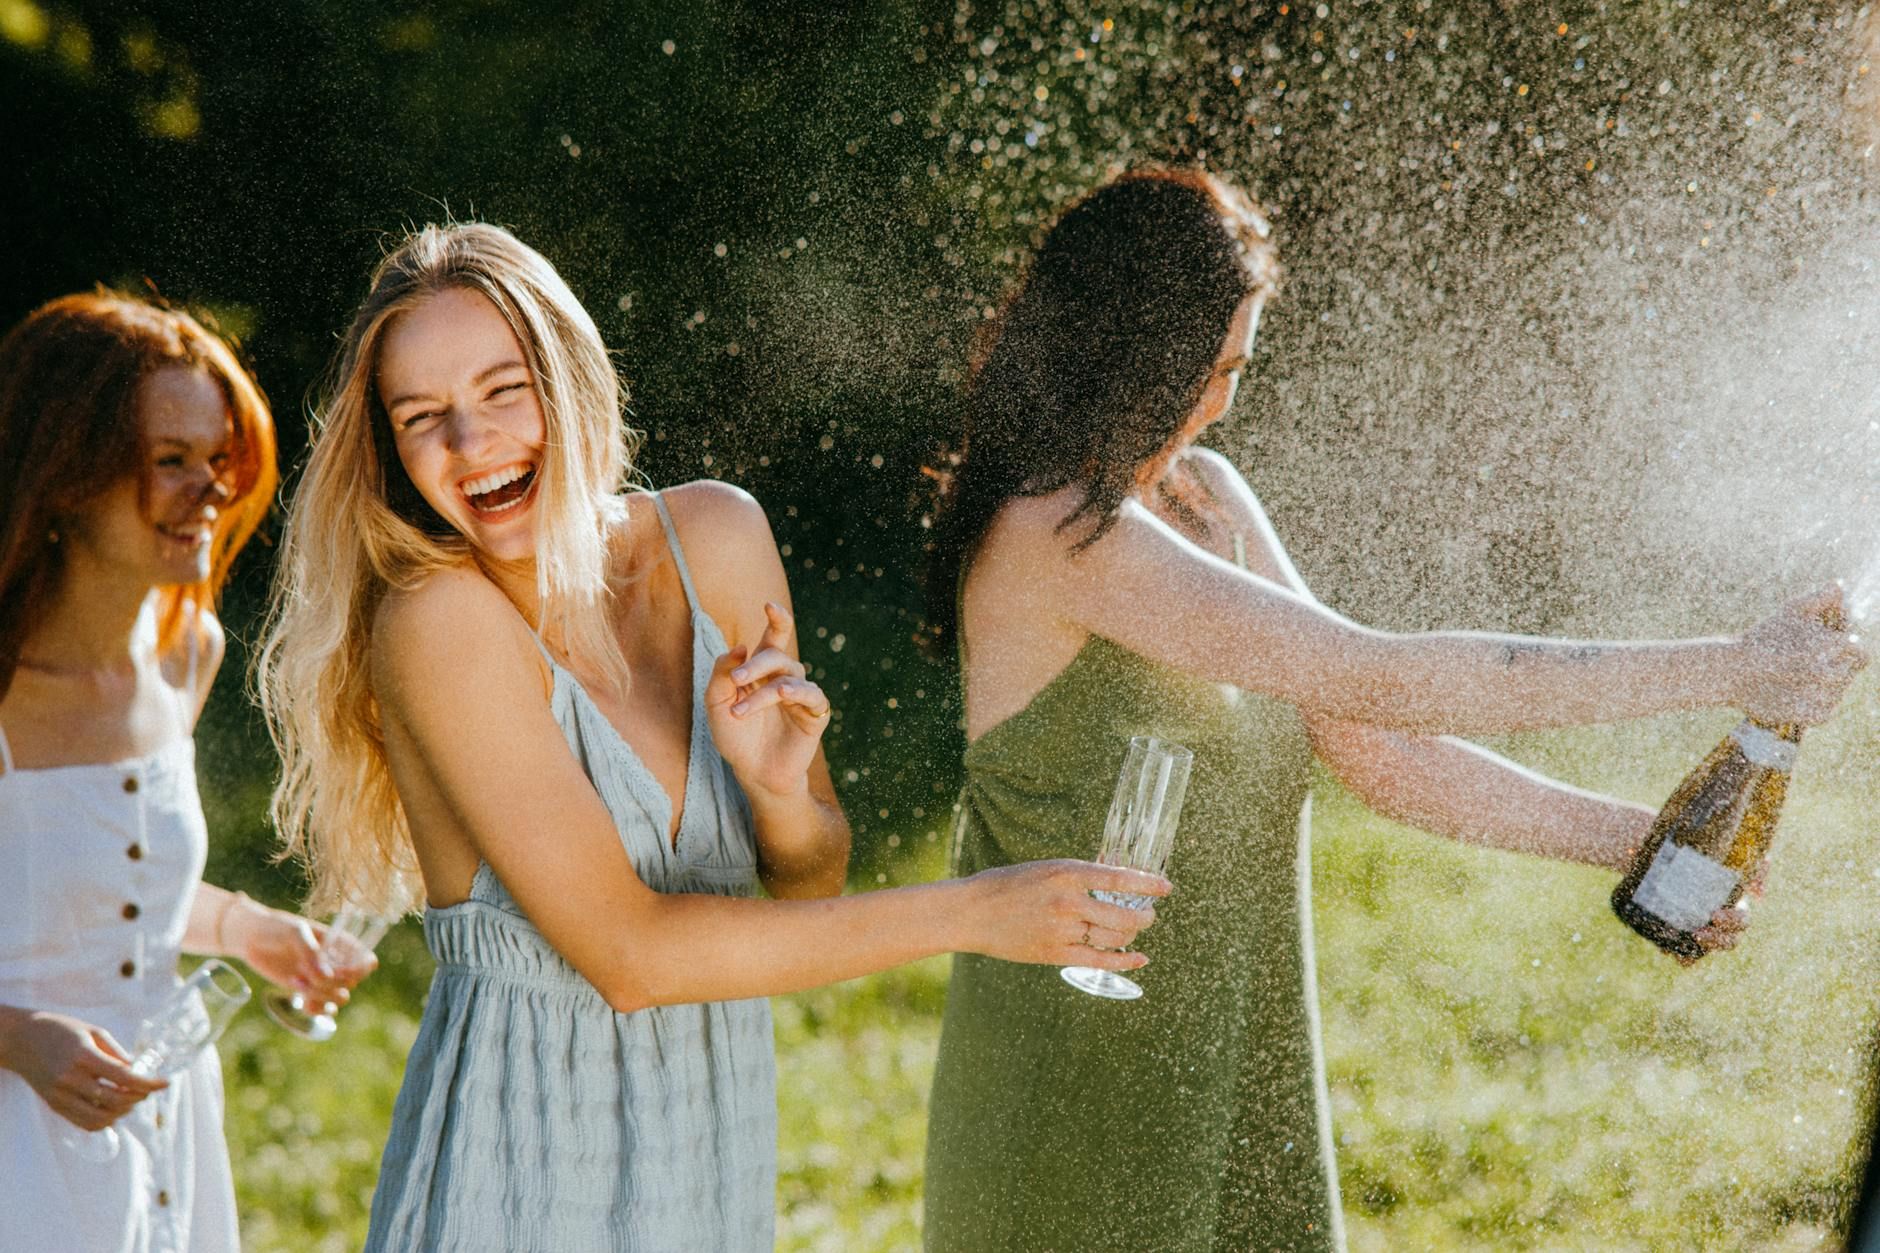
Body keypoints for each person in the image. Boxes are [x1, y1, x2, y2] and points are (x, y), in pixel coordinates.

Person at [919, 168, 1866, 1252]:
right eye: (1209, 370)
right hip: (1071, 1089)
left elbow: (1377, 743)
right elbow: (1381, 674)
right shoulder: (1054, 534)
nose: (1221, 400)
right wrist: (1732, 665)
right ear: (1131, 353)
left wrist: (1634, 841)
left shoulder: (1206, 498)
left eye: (1236, 369)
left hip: (1235, 1060)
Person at [255, 221, 1167, 1251]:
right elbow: (630, 957)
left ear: (570, 379)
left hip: (706, 1144)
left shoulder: (716, 538)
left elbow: (810, 885)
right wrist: (974, 910)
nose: (470, 443)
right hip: (522, 1167)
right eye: (422, 417)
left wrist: (776, 793)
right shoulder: (438, 621)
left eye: (504, 390)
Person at [0, 291, 375, 1253]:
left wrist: (249, 929)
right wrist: (18, 1036)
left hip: (165, 1127)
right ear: (66, 471)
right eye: (170, 459)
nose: (210, 489)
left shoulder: (186, 652)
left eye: (218, 459)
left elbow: (107, 888)